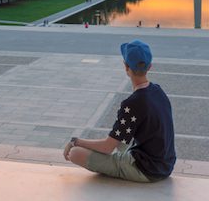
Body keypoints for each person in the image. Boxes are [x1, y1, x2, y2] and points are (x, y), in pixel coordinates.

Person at [64, 40, 176, 182]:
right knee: (121, 145)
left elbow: (107, 147)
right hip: (165, 165)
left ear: (126, 67)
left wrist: (76, 141)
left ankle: (117, 166)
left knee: (75, 153)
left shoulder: (132, 103)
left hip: (146, 169)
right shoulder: (158, 91)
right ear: (150, 67)